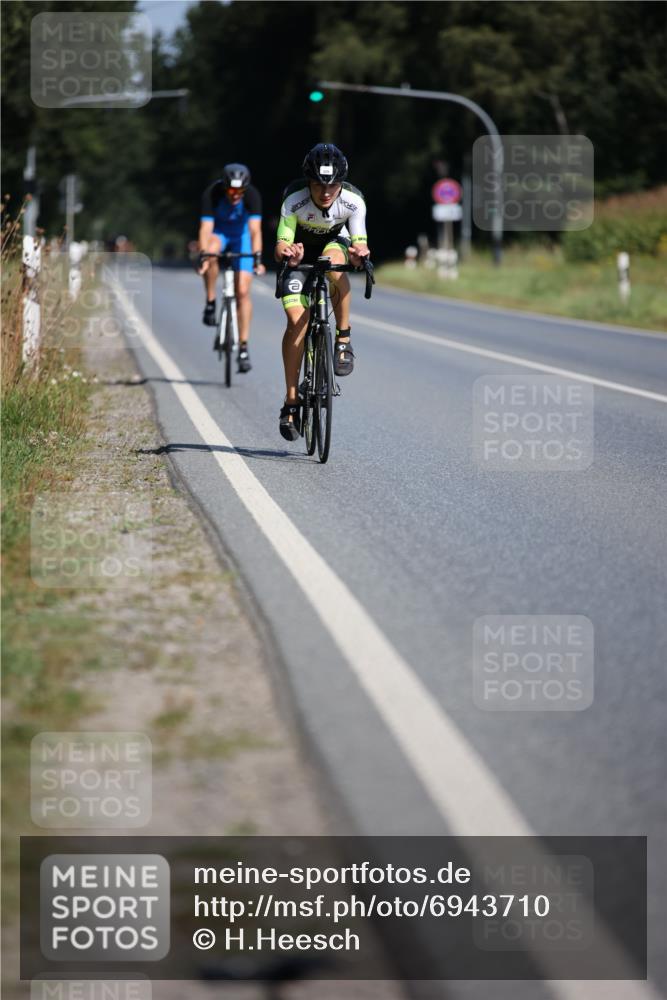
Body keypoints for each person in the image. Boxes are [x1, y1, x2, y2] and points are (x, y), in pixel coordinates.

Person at [274, 143, 371, 440]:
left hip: (332, 248)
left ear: (341, 184)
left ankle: (343, 338)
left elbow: (359, 243)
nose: (326, 192)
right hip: (299, 259)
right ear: (309, 182)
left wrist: (360, 254)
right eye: (318, 185)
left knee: (335, 261)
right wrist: (288, 252)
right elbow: (280, 245)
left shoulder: (353, 202)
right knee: (295, 324)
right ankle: (291, 401)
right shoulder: (294, 201)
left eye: (333, 186)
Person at [198, 163, 265, 373]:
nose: (235, 195)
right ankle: (210, 301)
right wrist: (203, 256)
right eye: (231, 191)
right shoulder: (212, 193)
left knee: (243, 292)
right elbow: (206, 228)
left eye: (240, 192)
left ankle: (243, 347)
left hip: (242, 238)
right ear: (224, 186)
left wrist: (257, 258)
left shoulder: (252, 195)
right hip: (220, 234)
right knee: (210, 252)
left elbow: (255, 231)